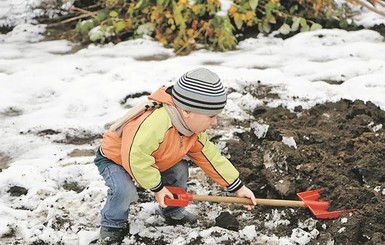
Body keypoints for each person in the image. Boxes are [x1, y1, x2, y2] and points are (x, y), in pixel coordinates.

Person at [94, 68, 257, 244]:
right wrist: (156, 188)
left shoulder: (190, 129)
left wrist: (238, 187)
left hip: (154, 158)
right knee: (124, 190)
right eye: (211, 116)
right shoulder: (155, 124)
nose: (215, 122)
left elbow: (211, 157)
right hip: (117, 159)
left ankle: (172, 210)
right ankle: (113, 223)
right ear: (187, 111)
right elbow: (136, 157)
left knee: (179, 170)